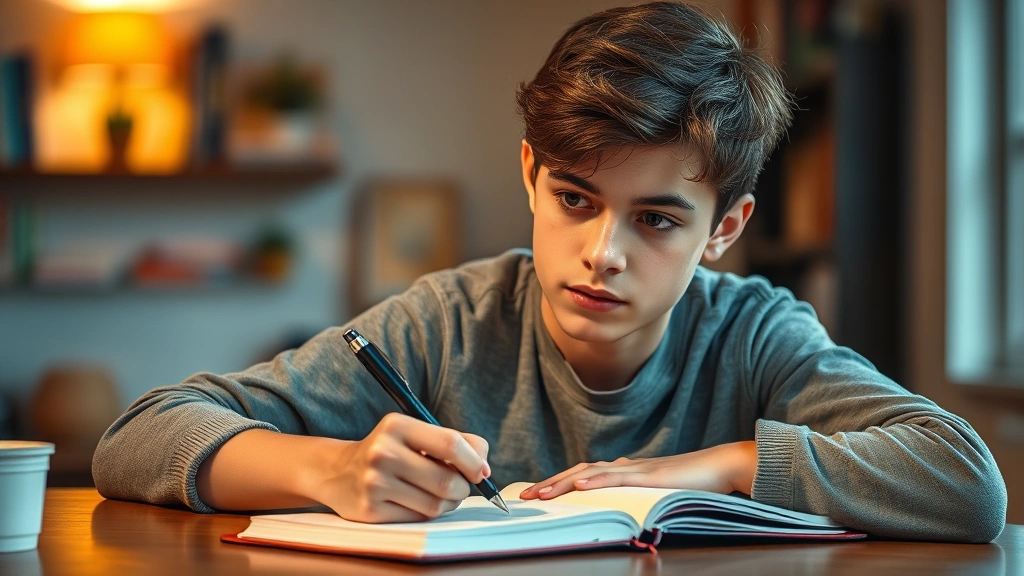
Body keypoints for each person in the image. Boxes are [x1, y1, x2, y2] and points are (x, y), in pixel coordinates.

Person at [92, 1, 1006, 542]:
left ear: (724, 229)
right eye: (575, 198)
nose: (604, 252)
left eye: (657, 220)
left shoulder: (756, 335)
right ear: (531, 173)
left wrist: (725, 467)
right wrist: (328, 468)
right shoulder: (452, 321)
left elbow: (967, 480)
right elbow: (137, 435)